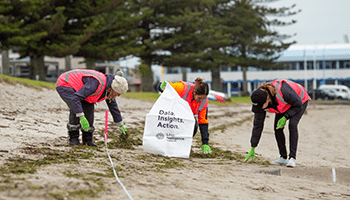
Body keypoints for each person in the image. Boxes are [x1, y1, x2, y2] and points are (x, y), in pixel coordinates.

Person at [244, 79, 310, 167]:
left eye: (261, 106)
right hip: (284, 104)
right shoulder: (260, 100)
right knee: (277, 128)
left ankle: (292, 158)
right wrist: (253, 147)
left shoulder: (283, 92)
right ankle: (283, 158)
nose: (260, 109)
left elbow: (298, 105)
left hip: (299, 101)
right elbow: (258, 125)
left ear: (267, 99)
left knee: (292, 125)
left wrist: (285, 117)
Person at [56, 69, 128, 146]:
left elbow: (113, 106)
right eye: (118, 93)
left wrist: (120, 124)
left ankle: (87, 140)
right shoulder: (96, 84)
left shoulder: (108, 90)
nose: (119, 96)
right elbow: (75, 99)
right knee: (76, 108)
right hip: (66, 84)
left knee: (89, 107)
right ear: (112, 89)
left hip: (81, 90)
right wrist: (81, 117)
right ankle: (73, 138)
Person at [157, 78, 212, 154]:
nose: (200, 101)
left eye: (203, 98)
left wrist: (205, 143)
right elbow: (164, 87)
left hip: (186, 117)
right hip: (170, 114)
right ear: (194, 92)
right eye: (199, 98)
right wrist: (161, 86)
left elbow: (203, 122)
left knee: (193, 125)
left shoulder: (203, 103)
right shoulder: (182, 88)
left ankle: (183, 145)